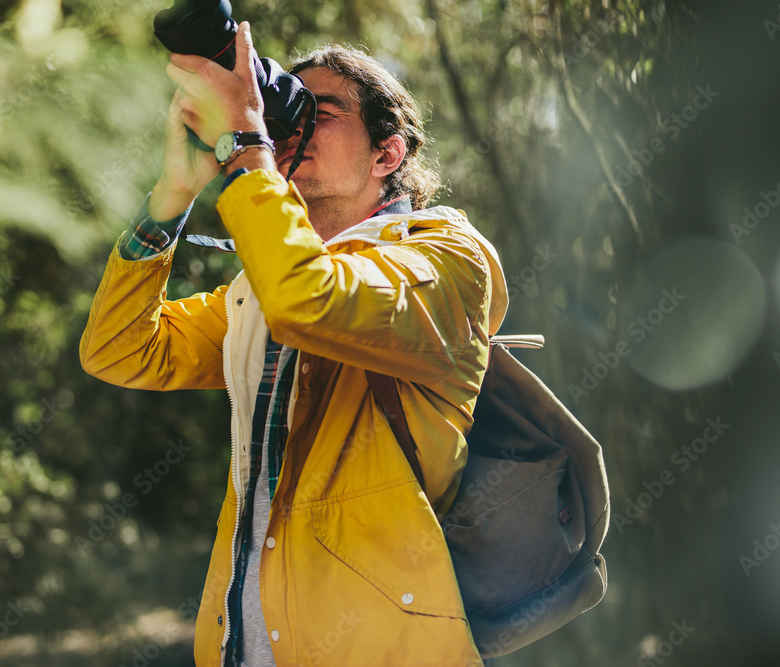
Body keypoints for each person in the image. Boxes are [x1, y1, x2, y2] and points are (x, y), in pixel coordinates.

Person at [79, 22, 508, 667]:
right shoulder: (258, 288)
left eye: (322, 113)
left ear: (386, 155)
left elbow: (310, 299)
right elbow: (120, 350)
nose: (292, 129)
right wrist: (172, 197)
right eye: (287, 111)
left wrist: (249, 143)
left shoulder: (450, 259)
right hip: (241, 646)